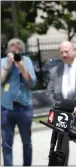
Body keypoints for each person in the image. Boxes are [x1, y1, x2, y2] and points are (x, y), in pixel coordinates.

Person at [46, 41, 76, 165]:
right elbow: (49, 93)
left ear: (74, 51)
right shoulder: (54, 71)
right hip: (62, 116)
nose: (64, 54)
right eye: (61, 52)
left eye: (66, 51)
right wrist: (59, 108)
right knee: (60, 151)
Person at [1, 38, 37, 166]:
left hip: (24, 108)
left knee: (26, 142)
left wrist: (20, 66)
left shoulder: (26, 61)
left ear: (21, 51)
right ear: (8, 51)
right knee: (6, 144)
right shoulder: (3, 62)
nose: (15, 53)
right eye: (12, 51)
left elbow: (31, 82)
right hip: (6, 108)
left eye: (17, 51)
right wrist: (8, 66)